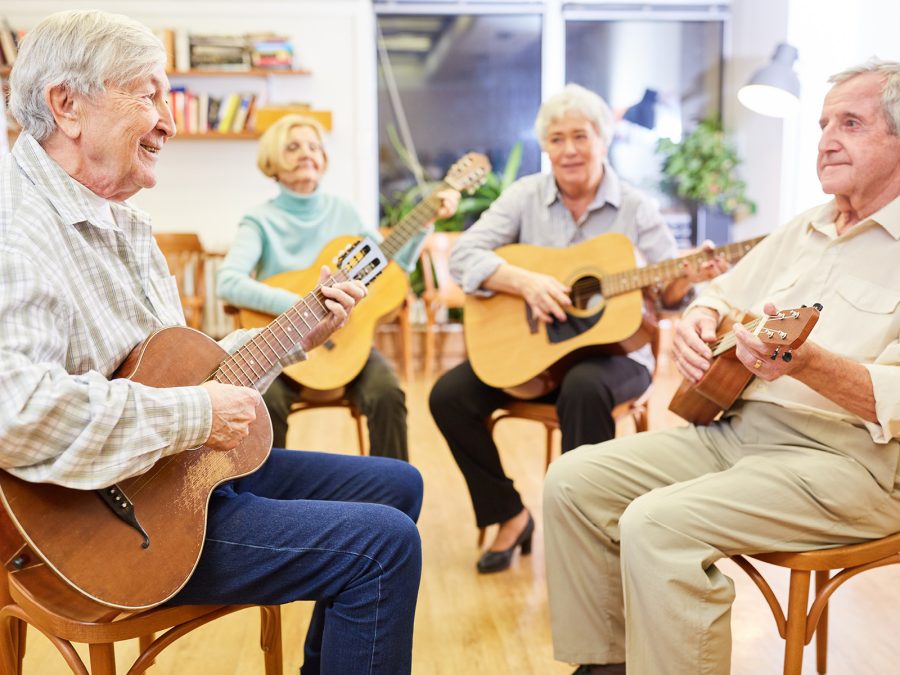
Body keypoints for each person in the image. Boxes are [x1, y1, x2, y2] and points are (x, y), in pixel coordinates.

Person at [1, 10, 423, 674]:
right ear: (67, 106)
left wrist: (291, 336)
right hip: (103, 527)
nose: (167, 120)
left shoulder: (121, 220)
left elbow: (173, 369)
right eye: (148, 93)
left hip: (172, 480)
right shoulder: (16, 230)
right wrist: (198, 412)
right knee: (384, 545)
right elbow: (16, 413)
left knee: (398, 487)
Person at [544, 59, 900, 675]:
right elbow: (719, 294)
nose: (825, 140)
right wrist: (698, 322)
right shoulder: (804, 227)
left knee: (657, 526)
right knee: (572, 481)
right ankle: (608, 666)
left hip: (848, 465)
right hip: (733, 431)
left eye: (851, 122)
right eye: (822, 124)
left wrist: (808, 364)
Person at [429, 83, 727, 574]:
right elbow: (463, 256)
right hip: (537, 356)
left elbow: (669, 299)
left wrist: (683, 277)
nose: (568, 150)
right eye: (557, 139)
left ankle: (584, 539)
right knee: (448, 396)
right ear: (545, 146)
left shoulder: (635, 207)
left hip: (617, 357)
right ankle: (509, 514)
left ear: (603, 140)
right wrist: (523, 281)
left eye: (581, 137)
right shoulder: (524, 196)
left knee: (585, 387)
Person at [217, 114, 459, 460]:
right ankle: (268, 505)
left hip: (343, 343)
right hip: (283, 348)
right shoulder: (260, 220)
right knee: (263, 404)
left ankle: (390, 504)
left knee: (388, 393)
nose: (307, 153)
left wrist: (426, 223)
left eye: (314, 146)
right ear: (272, 159)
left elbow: (389, 269)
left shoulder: (343, 211)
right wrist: (301, 306)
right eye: (293, 146)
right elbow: (228, 281)